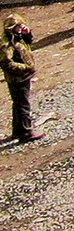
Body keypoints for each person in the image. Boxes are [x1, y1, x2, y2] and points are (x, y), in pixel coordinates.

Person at [3, 14, 41, 142]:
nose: (20, 28)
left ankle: (18, 130)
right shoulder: (6, 44)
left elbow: (28, 43)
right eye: (17, 26)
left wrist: (27, 33)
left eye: (20, 25)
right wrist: (25, 68)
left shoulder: (18, 38)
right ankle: (26, 133)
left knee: (19, 104)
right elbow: (7, 63)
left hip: (23, 77)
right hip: (17, 79)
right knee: (23, 105)